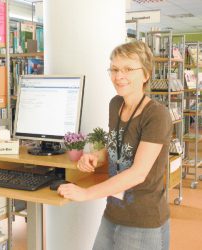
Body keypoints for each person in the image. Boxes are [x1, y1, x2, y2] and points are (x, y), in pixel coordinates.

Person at [57, 41, 173, 250]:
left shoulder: (156, 115)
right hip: (114, 211)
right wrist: (98, 157)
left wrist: (86, 193)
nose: (119, 76)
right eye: (115, 69)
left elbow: (138, 173)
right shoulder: (116, 104)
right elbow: (116, 145)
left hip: (142, 220)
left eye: (128, 69)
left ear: (146, 75)